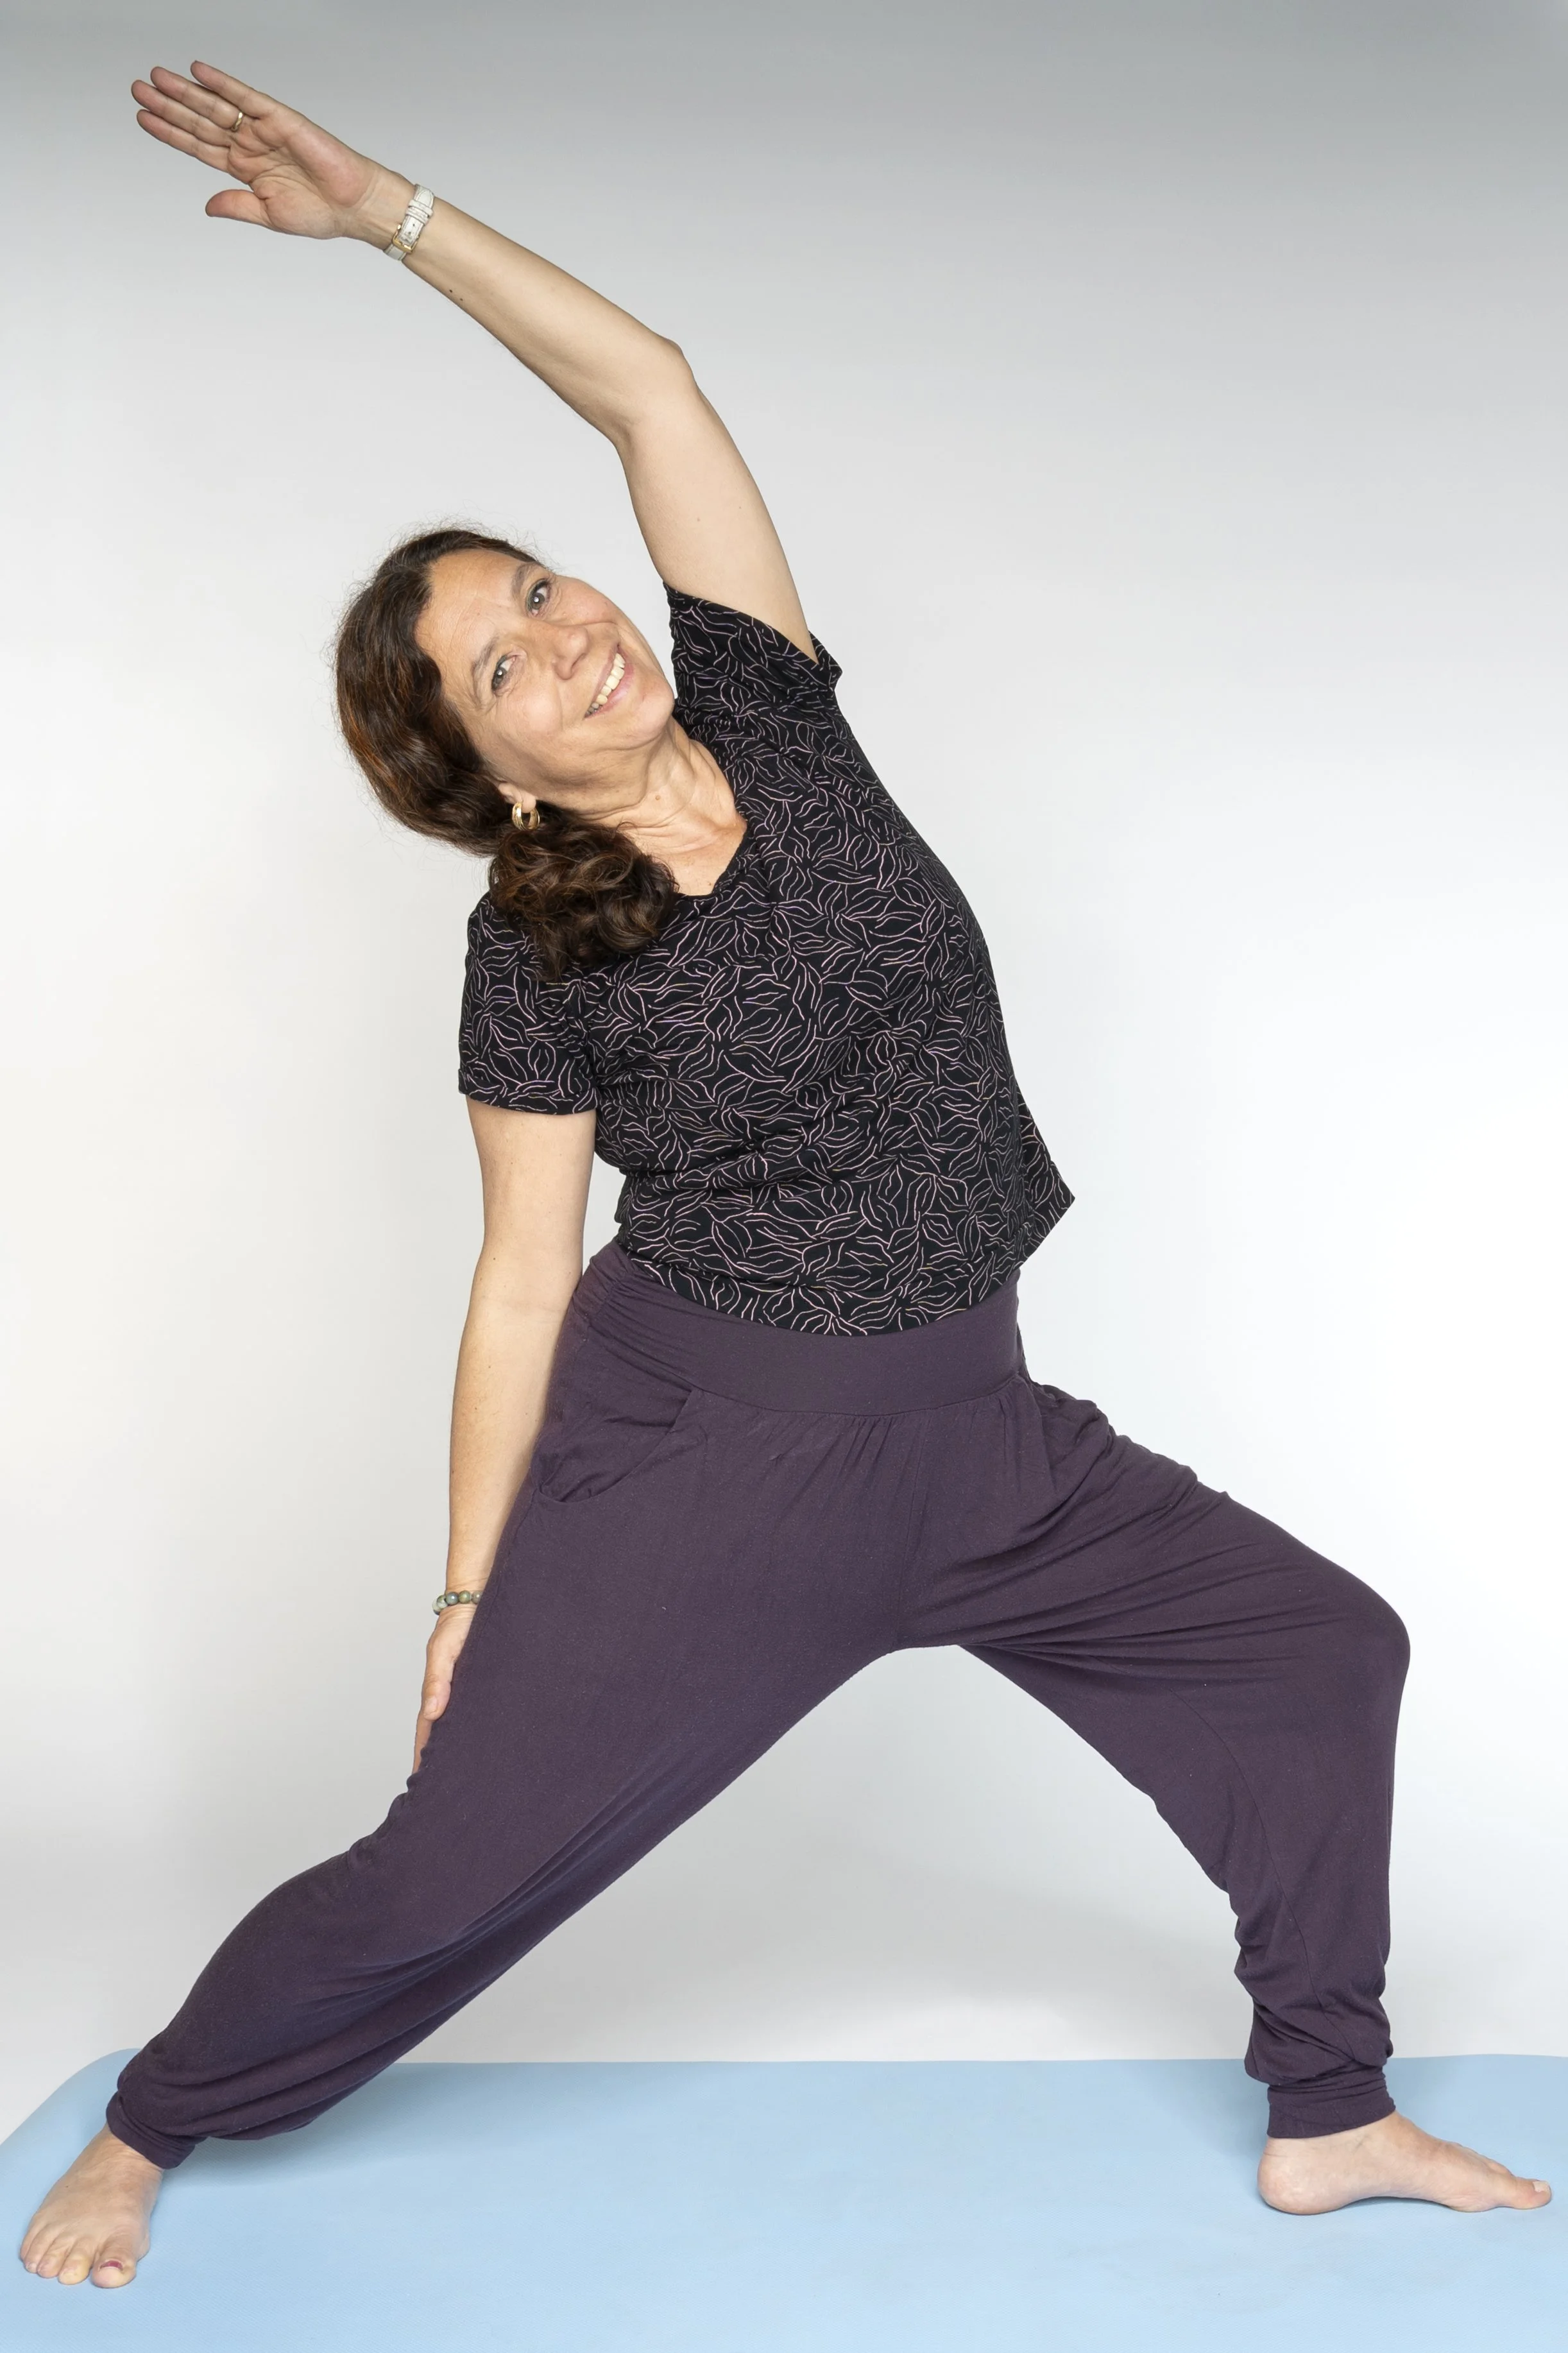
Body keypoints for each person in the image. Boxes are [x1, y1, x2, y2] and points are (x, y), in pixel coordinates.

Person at [21, 56, 1550, 2295]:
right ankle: (155, 2121)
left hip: (981, 1436)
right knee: (448, 1873)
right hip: (713, 1469)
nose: (574, 636)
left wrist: (387, 219)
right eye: (506, 661)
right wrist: (465, 1600)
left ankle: (1328, 2108)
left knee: (1317, 1656)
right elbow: (520, 1278)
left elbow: (646, 385)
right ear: (478, 768)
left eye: (544, 586)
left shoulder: (777, 715)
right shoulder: (529, 950)